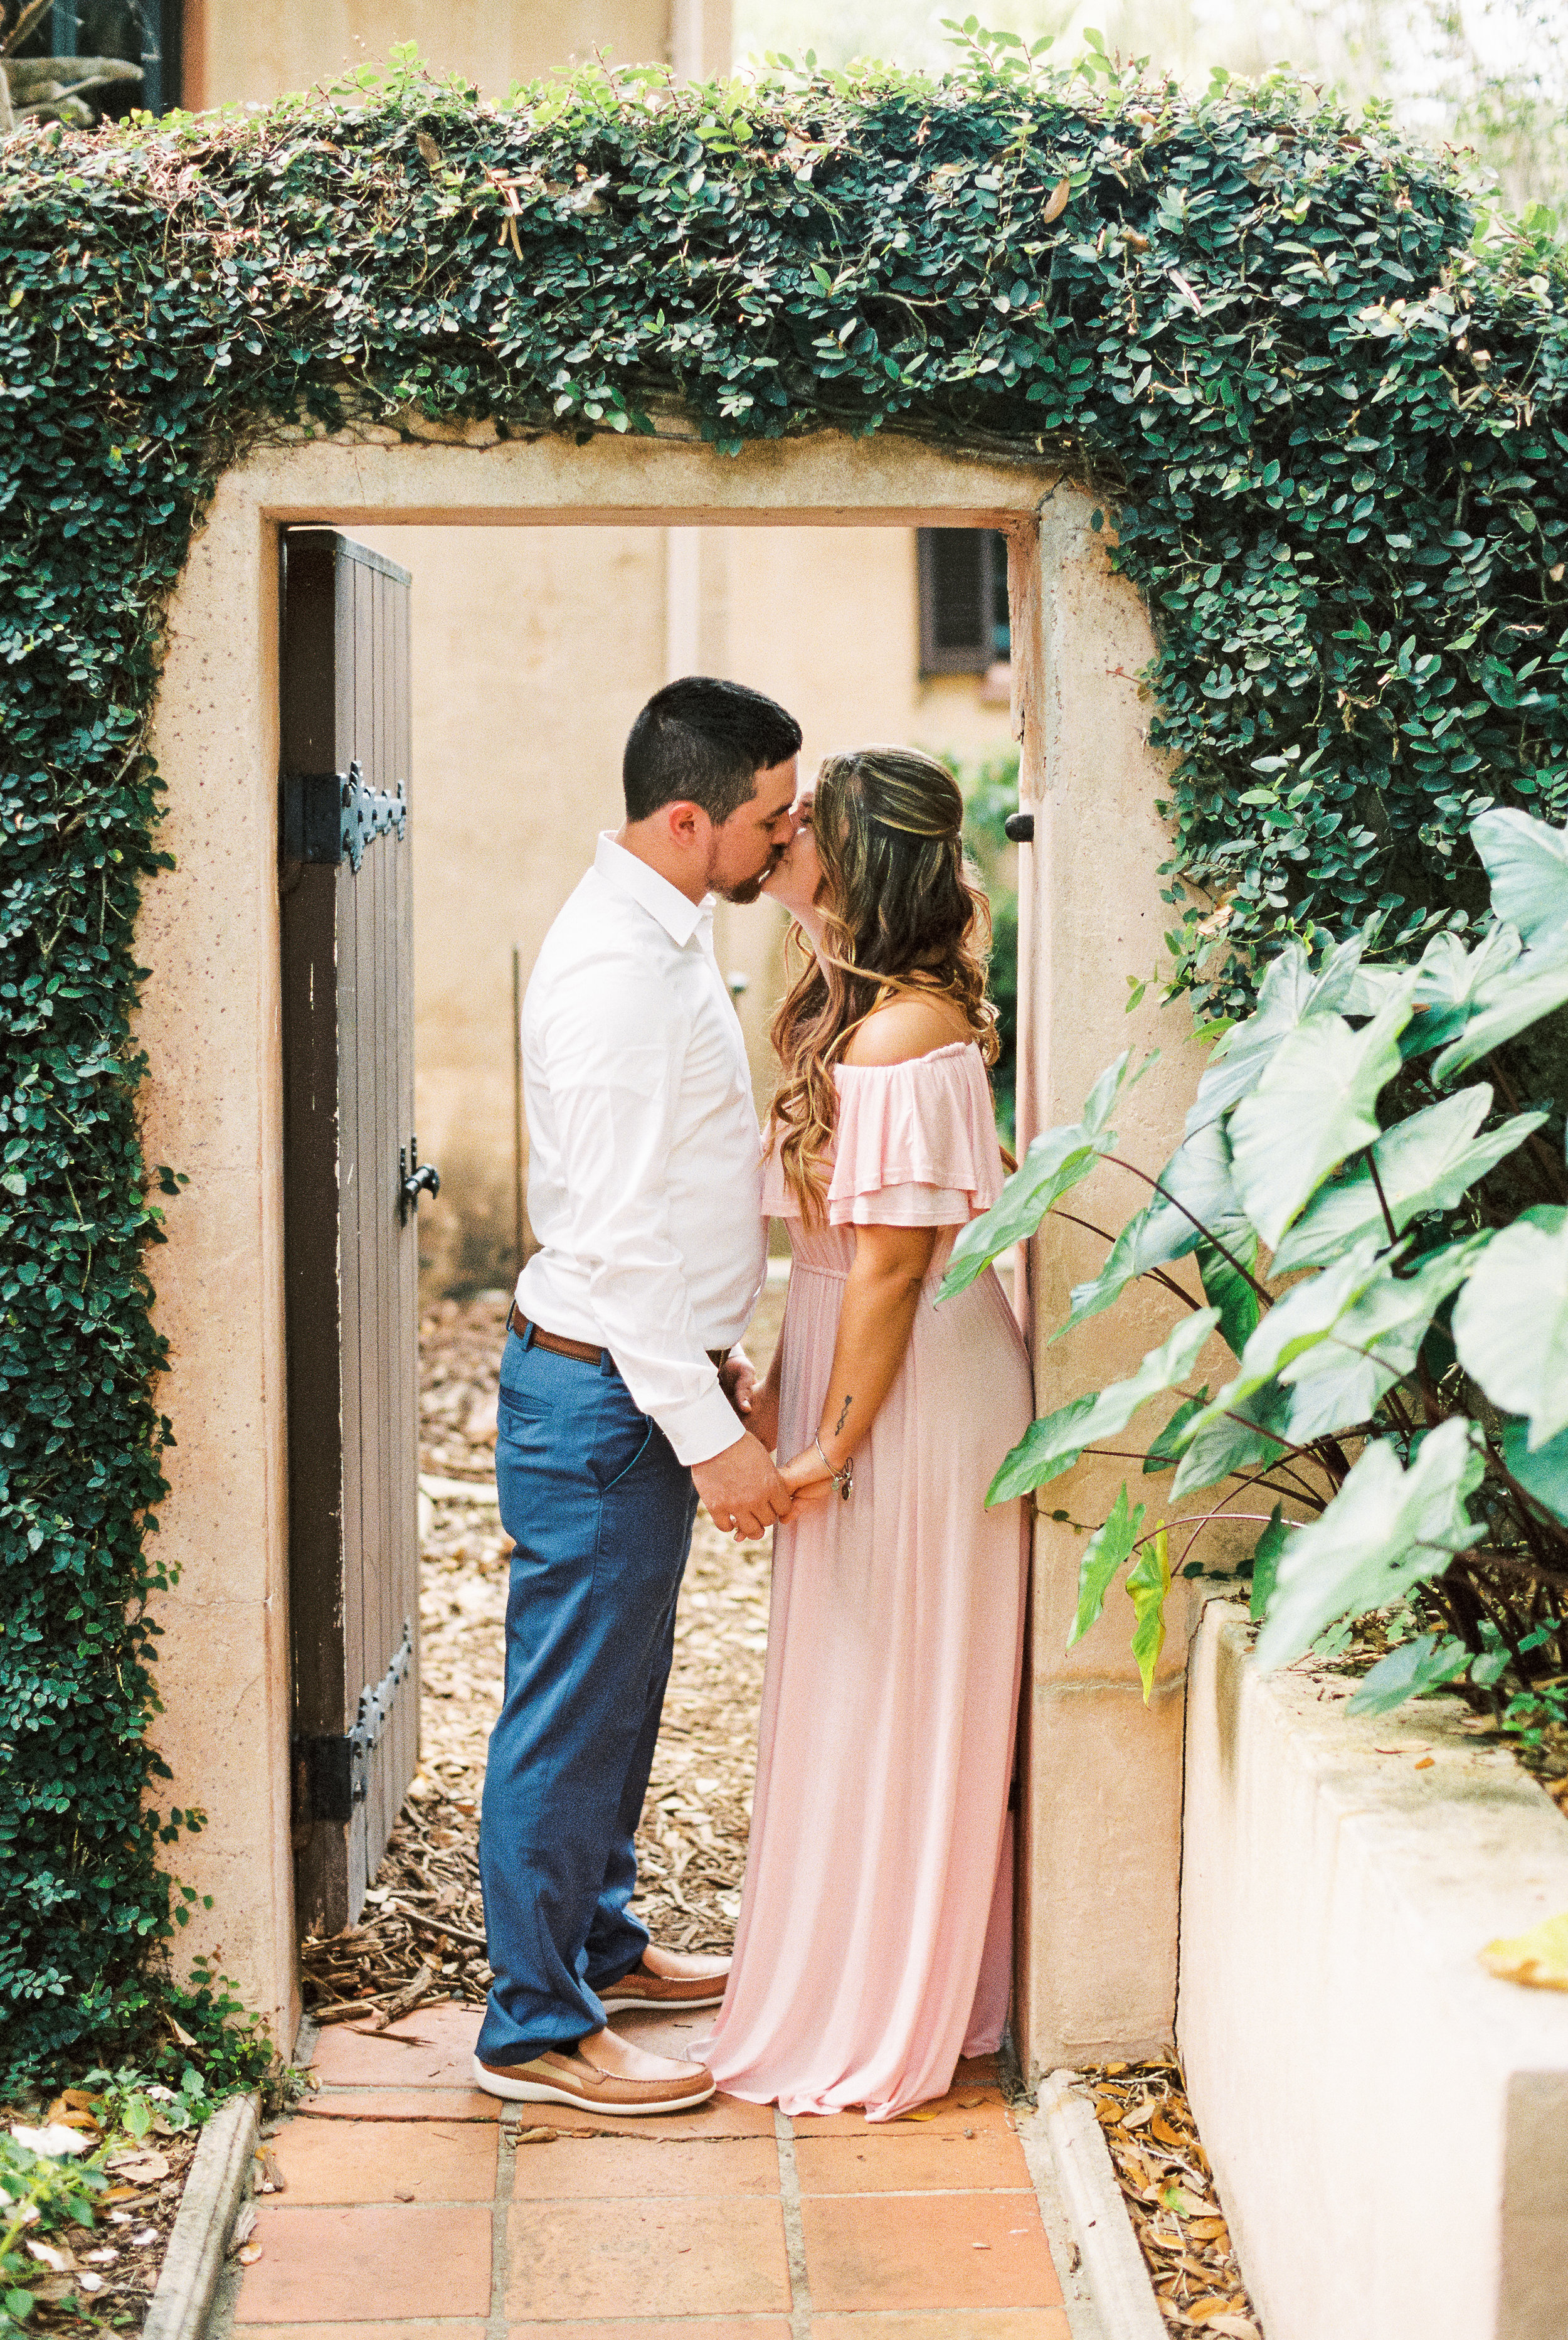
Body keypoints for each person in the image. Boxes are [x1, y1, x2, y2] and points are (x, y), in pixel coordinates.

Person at [472, 676, 802, 2117]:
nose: (784, 846)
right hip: (602, 1398)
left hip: (640, 1382)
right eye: (768, 823)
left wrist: (713, 1361)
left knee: (619, 1696)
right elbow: (608, 1241)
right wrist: (713, 1435)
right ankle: (534, 2029)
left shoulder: (664, 934)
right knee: (566, 1710)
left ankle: (597, 1945)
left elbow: (671, 1199)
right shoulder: (613, 970)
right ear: (687, 819)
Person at [702, 746, 1032, 2120]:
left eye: (801, 829)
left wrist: (826, 1450)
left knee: (891, 1686)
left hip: (918, 1389)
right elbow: (833, 1272)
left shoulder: (901, 1034)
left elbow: (893, 1271)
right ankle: (869, 1972)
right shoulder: (863, 1007)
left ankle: (888, 2000)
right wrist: (785, 1397)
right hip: (861, 1364)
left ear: (853, 859)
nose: (779, 842)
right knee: (852, 1684)